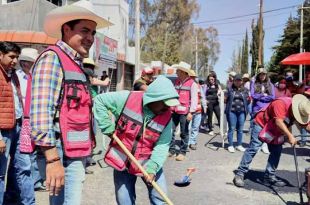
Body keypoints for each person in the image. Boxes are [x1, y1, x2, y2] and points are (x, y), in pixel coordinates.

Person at [30, 1, 112, 204]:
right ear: (66, 29)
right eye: (85, 31)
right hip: (59, 152)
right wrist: (52, 159)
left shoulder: (75, 63)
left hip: (74, 152)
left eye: (93, 33)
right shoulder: (52, 58)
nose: (90, 38)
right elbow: (41, 113)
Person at [93, 75, 179, 205]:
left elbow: (162, 145)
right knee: (124, 201)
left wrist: (152, 168)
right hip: (122, 159)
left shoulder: (166, 117)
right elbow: (99, 100)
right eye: (165, 104)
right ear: (154, 98)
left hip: (148, 161)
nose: (167, 109)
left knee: (161, 199)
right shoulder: (127, 98)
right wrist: (107, 126)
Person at [233, 94, 310, 187]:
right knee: (254, 148)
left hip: (277, 129)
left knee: (276, 151)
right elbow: (279, 122)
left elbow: (306, 125)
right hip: (262, 124)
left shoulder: (302, 110)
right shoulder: (281, 103)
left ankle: (269, 176)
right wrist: (290, 136)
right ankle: (240, 173)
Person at [0, 42, 35, 204]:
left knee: (24, 167)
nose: (14, 61)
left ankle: (27, 202)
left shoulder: (13, 75)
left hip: (19, 126)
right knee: (0, 173)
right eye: (11, 57)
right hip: (3, 131)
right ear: (0, 55)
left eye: (16, 57)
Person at [15, 48, 47, 192]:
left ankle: (35, 180)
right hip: (22, 118)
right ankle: (31, 182)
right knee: (25, 152)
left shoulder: (39, 77)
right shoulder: (16, 77)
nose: (29, 65)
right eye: (27, 62)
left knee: (37, 151)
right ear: (23, 62)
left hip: (37, 117)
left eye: (32, 62)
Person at [169, 62, 198, 161]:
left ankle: (182, 152)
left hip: (185, 112)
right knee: (170, 131)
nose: (176, 72)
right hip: (174, 111)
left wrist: (191, 112)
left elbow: (194, 99)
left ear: (183, 72)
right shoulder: (176, 82)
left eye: (178, 71)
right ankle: (171, 150)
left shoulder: (192, 84)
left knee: (184, 132)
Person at [250, 67, 275, 154]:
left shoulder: (270, 84)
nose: (262, 76)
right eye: (261, 74)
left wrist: (260, 97)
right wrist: (263, 95)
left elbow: (272, 97)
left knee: (266, 128)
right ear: (258, 75)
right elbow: (253, 95)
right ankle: (254, 146)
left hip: (267, 109)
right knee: (255, 128)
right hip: (256, 109)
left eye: (264, 74)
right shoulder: (254, 83)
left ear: (266, 75)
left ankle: (264, 145)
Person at [225, 74, 250, 153]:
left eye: (239, 80)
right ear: (234, 81)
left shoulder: (245, 90)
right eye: (236, 80)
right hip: (232, 111)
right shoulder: (229, 89)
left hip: (242, 112)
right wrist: (224, 97)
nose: (238, 82)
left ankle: (239, 145)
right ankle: (230, 145)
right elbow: (225, 99)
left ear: (242, 81)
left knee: (240, 129)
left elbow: (248, 100)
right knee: (232, 128)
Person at [188, 70, 206, 150]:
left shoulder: (198, 86)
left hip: (198, 110)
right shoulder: (186, 86)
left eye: (193, 77)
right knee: (187, 128)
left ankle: (192, 142)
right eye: (191, 77)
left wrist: (204, 106)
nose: (192, 78)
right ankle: (187, 142)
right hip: (189, 111)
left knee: (195, 127)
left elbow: (202, 97)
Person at [204, 72, 222, 136]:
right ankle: (210, 129)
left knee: (219, 116)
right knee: (210, 116)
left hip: (216, 102)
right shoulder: (206, 84)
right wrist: (205, 101)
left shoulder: (217, 83)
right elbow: (204, 93)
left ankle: (221, 129)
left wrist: (219, 92)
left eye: (212, 79)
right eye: (209, 79)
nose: (211, 80)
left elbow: (220, 90)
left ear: (214, 78)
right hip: (209, 102)